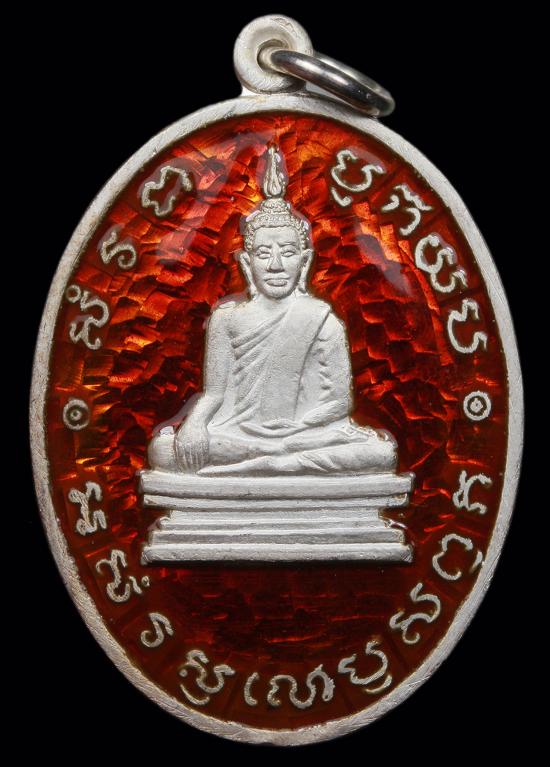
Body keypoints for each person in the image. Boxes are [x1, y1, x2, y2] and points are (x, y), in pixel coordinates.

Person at [148, 146, 397, 476]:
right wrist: (194, 425)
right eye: (264, 254)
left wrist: (296, 431)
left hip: (307, 437)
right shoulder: (227, 319)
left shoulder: (322, 320)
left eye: (288, 252)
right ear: (247, 263)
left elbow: (340, 402)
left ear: (304, 261)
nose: (276, 265)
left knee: (380, 453)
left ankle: (271, 460)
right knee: (163, 451)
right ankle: (273, 460)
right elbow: (214, 394)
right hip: (238, 436)